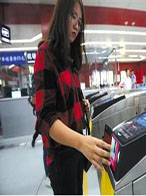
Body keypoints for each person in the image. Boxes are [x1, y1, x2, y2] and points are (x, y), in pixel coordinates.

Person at [34, 0, 111, 194]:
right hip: (61, 155)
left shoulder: (69, 60)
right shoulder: (46, 54)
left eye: (80, 20)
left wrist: (81, 103)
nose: (77, 25)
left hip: (76, 150)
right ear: (61, 16)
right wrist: (82, 142)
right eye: (72, 16)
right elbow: (45, 116)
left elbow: (68, 97)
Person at [29, 74, 51, 188]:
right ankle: (48, 175)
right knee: (46, 146)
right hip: (44, 116)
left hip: (50, 116)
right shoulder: (38, 77)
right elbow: (32, 99)